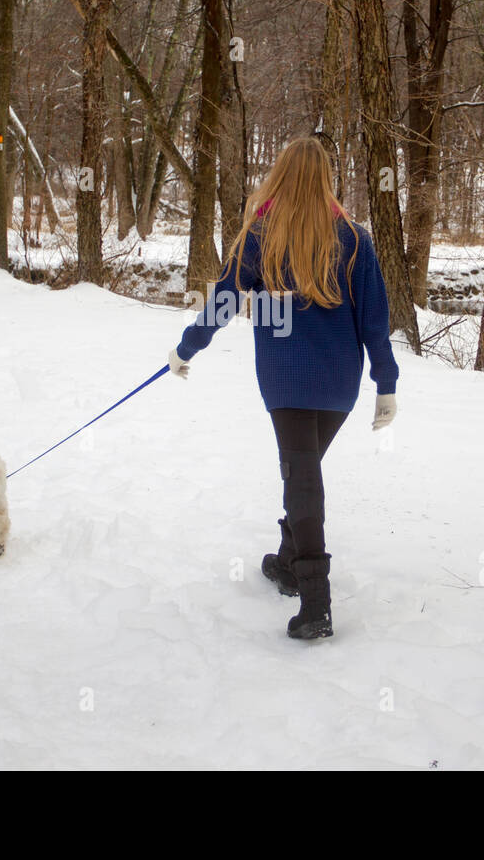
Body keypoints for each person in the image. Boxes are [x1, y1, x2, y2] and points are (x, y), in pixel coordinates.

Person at [168, 135, 399, 639]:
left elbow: (225, 300)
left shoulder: (265, 236)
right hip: (339, 384)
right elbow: (375, 324)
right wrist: (384, 384)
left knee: (302, 478)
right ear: (326, 180)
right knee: (303, 471)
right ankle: (289, 561)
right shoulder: (354, 239)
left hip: (286, 381)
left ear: (280, 176)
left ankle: (315, 602)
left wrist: (187, 348)